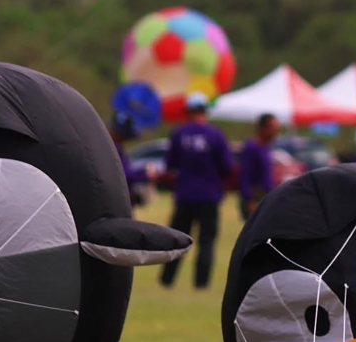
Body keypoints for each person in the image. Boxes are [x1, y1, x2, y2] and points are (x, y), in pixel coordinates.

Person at [159, 92, 233, 290]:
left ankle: (167, 279)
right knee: (206, 241)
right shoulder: (216, 135)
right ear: (204, 111)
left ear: (188, 112)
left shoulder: (179, 134)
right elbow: (226, 166)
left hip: (185, 194)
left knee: (177, 239)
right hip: (209, 195)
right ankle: (201, 283)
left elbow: (170, 163)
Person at [109, 111, 156, 207]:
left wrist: (142, 171)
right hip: (115, 201)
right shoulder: (113, 148)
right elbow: (125, 175)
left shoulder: (115, 146)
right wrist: (146, 176)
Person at [238, 113, 280, 220]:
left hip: (266, 197)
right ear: (262, 128)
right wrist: (249, 200)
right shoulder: (252, 147)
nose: (275, 131)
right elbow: (245, 175)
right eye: (273, 128)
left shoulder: (266, 147)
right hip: (255, 198)